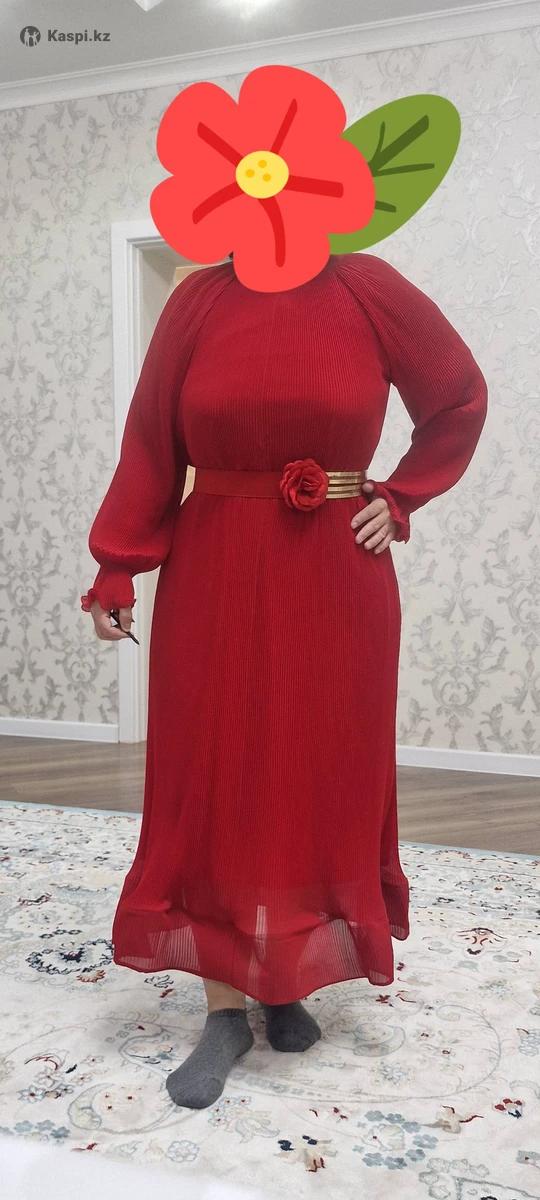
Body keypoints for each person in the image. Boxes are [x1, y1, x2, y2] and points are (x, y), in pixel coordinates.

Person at [81, 250, 488, 1109]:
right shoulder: (197, 300)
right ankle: (224, 1008)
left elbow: (457, 397)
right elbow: (152, 440)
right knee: (219, 775)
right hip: (214, 572)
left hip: (337, 577)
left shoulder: (368, 289)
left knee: (316, 774)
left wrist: (402, 496)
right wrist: (118, 564)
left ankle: (284, 978)